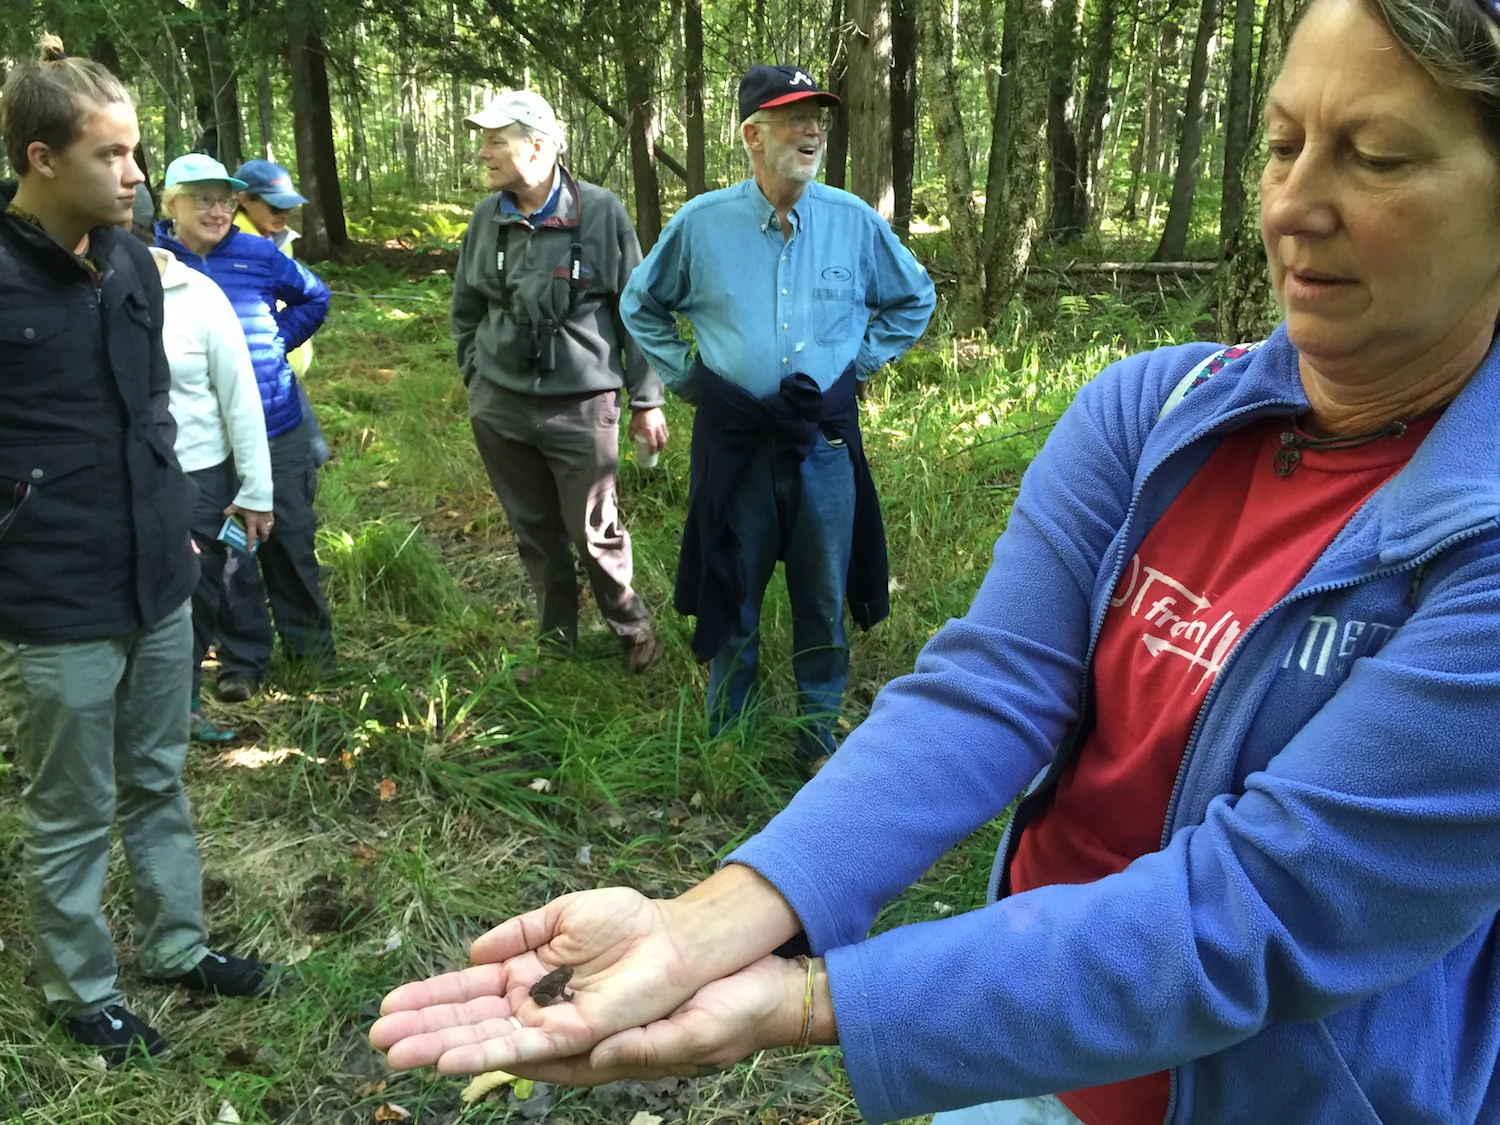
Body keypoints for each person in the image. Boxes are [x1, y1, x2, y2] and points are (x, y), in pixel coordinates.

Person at [371, 3, 1500, 1122]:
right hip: (1022, 1062)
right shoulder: (1155, 410)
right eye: (1281, 144)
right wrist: (706, 920)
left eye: (1379, 157)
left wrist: (821, 1001)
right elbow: (991, 686)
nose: (1296, 205)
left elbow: (1266, 907)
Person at [0, 36, 275, 1066]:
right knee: (70, 808)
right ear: (41, 159)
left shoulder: (130, 262)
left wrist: (185, 530)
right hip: (54, 594)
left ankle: (178, 944)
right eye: (112, 155)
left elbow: (153, 413)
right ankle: (82, 992)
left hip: (162, 577)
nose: (136, 176)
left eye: (137, 153)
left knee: (158, 776)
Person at [619, 65, 935, 769]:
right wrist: (689, 377)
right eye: (795, 117)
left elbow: (914, 298)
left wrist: (857, 365)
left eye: (818, 116)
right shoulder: (702, 225)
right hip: (734, 444)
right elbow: (641, 304)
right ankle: (730, 737)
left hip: (822, 443)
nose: (813, 129)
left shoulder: (853, 222)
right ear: (752, 135)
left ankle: (816, 735)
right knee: (733, 588)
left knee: (822, 595)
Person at [453, 89, 668, 672]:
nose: (483, 153)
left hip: (581, 404)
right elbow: (467, 307)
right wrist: (475, 372)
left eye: (496, 140)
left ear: (540, 146)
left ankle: (630, 624)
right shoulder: (486, 217)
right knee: (534, 532)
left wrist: (646, 400)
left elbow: (636, 309)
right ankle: (556, 645)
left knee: (595, 530)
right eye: (484, 141)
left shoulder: (600, 211)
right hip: (500, 404)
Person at [155, 153, 334, 701]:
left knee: (289, 540)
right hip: (203, 438)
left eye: (226, 200)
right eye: (202, 199)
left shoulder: (256, 252)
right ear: (173, 204)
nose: (217, 210)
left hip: (275, 423)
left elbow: (315, 295)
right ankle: (242, 662)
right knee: (228, 552)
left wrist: (275, 339)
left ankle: (312, 658)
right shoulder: (153, 263)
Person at [145, 232, 273, 743]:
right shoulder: (84, 288)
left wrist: (256, 490)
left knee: (199, 587)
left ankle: (186, 706)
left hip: (200, 474)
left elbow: (240, 393)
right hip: (121, 475)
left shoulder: (197, 293)